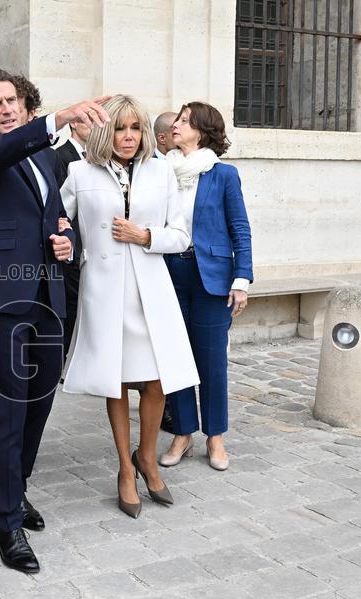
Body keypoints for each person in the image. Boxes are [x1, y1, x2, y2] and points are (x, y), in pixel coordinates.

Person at [0, 67, 106, 573]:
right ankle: (6, 526)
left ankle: (15, 491)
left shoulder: (44, 157)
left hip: (48, 298)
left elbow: (56, 221)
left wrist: (67, 242)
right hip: (0, 301)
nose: (7, 109)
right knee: (7, 414)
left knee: (38, 406)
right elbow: (2, 154)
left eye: (12, 100)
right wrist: (56, 120)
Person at [59, 94, 199, 518]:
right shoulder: (79, 171)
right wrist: (63, 237)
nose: (128, 136)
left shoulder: (163, 171)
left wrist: (145, 237)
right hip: (104, 291)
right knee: (115, 380)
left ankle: (147, 456)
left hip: (152, 290)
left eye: (135, 128)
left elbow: (181, 235)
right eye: (119, 128)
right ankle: (124, 468)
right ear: (105, 130)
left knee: (158, 380)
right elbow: (57, 220)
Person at [159, 102, 253, 472]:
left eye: (184, 121)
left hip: (212, 277)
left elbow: (240, 229)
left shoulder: (223, 175)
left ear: (202, 131)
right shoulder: (161, 172)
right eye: (177, 120)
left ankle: (215, 436)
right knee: (175, 357)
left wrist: (241, 280)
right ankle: (182, 433)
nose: (175, 126)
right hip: (169, 274)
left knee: (211, 361)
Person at [53, 119, 91, 359]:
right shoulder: (60, 156)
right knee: (71, 305)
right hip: (71, 247)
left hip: (89, 246)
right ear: (75, 124)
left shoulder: (96, 158)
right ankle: (64, 358)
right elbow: (60, 207)